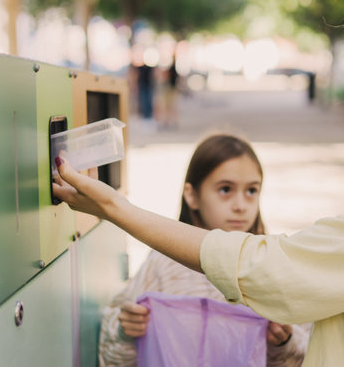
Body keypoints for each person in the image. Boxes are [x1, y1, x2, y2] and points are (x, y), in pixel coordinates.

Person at [52, 136, 344, 366]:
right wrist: (126, 332)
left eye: (252, 190)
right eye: (225, 189)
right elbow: (115, 357)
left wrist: (282, 344)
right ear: (191, 194)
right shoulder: (162, 266)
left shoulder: (278, 268)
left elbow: (304, 358)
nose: (241, 204)